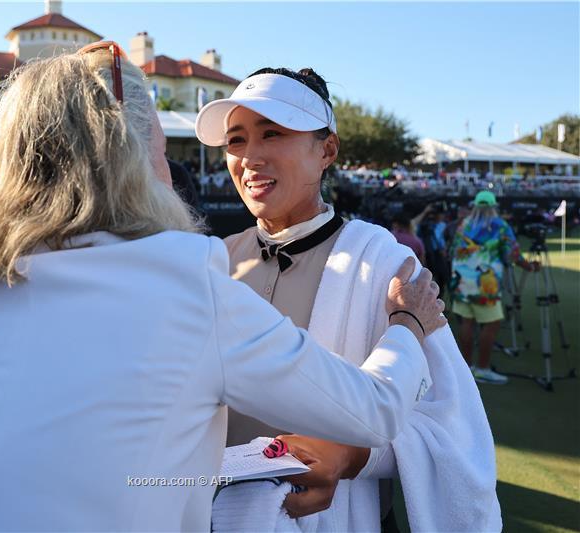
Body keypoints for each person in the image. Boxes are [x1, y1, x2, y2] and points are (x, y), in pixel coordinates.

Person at [0, 44, 444, 532]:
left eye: (272, 134)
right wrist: (408, 327)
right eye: (162, 152)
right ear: (131, 162)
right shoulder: (189, 282)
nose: (171, 172)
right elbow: (376, 411)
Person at [195, 67, 501, 531]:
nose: (249, 157)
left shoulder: (387, 264)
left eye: (272, 133)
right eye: (236, 140)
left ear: (328, 150)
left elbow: (454, 426)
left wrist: (355, 454)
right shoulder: (216, 260)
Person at [451, 190, 539, 385]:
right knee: (491, 324)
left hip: (462, 283)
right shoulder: (500, 226)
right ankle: (482, 369)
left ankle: (466, 370)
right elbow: (512, 254)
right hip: (485, 285)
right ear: (493, 207)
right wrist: (529, 266)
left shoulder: (463, 225)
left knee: (467, 322)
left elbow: (453, 251)